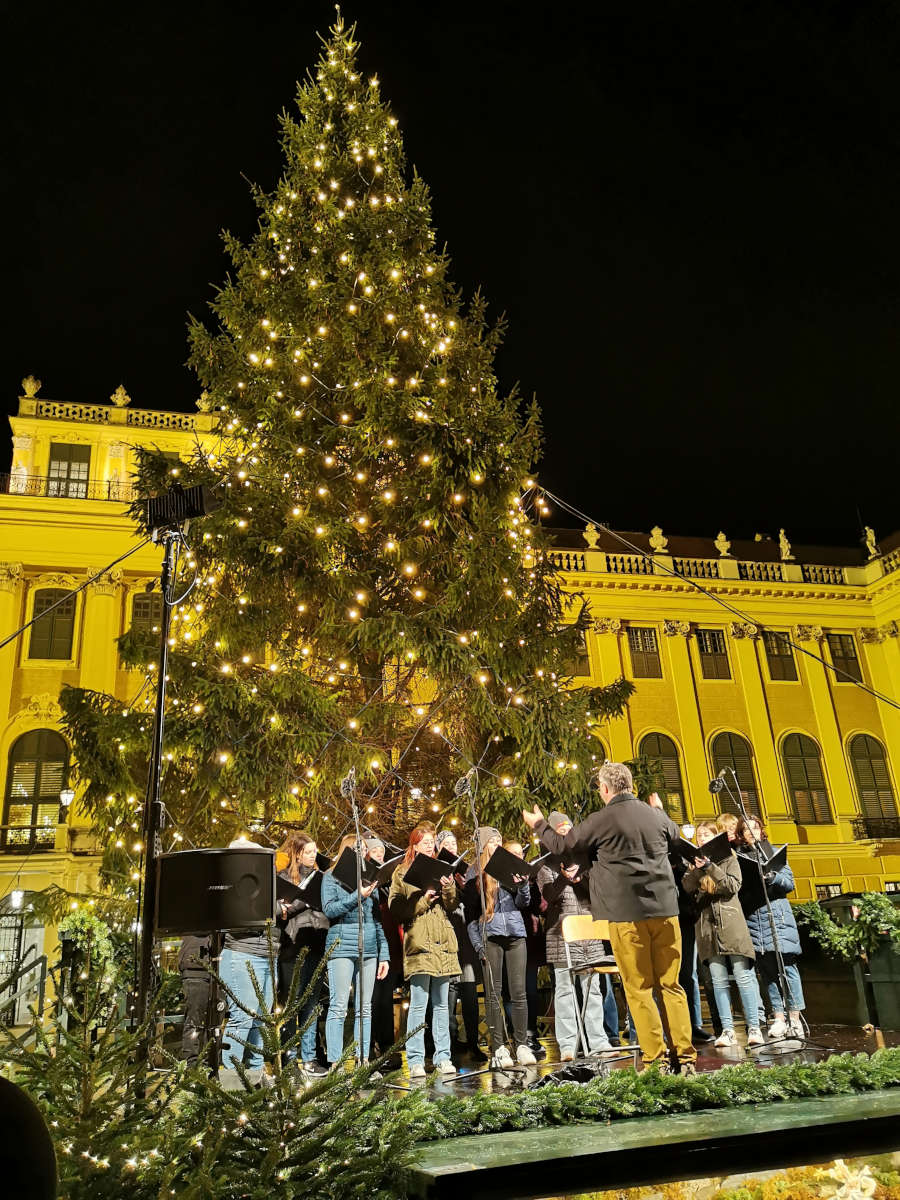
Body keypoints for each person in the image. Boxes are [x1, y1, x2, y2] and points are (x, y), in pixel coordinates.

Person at [523, 761, 696, 1074]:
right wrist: (659, 812)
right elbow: (676, 840)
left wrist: (539, 825)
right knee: (671, 986)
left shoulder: (601, 819)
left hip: (627, 916)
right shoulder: (653, 814)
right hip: (666, 912)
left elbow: (564, 846)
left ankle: (656, 1060)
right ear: (630, 785)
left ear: (605, 789)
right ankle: (684, 1059)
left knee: (639, 987)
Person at [537, 812, 614, 1060]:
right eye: (559, 832)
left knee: (592, 989)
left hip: (590, 932)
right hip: (561, 934)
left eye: (568, 830)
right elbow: (548, 897)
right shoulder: (545, 865)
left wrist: (581, 876)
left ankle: (598, 1041)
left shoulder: (589, 861)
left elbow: (598, 892)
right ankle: (568, 1044)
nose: (565, 835)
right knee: (564, 990)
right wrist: (564, 877)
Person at [682, 820, 764, 1048]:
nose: (701, 840)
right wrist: (697, 868)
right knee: (718, 981)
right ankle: (727, 1030)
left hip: (731, 923)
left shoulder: (729, 859)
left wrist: (710, 867)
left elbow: (732, 886)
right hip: (707, 927)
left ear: (716, 837)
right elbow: (687, 888)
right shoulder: (694, 865)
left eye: (706, 835)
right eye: (699, 836)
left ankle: (754, 1027)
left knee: (743, 976)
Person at [389, 822, 461, 1079]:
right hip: (419, 942)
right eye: (425, 841)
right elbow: (396, 908)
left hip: (443, 942)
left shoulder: (441, 867)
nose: (430, 845)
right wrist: (422, 900)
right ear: (415, 843)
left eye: (432, 842)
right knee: (419, 1005)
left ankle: (443, 1057)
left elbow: (452, 905)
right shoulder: (401, 871)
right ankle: (416, 1059)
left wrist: (449, 886)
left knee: (442, 1005)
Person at [465, 839, 537, 1068]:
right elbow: (471, 920)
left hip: (516, 935)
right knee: (494, 994)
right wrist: (478, 946)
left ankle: (522, 1044)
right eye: (492, 843)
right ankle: (498, 1048)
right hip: (491, 938)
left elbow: (523, 903)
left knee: (519, 992)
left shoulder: (510, 874)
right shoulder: (477, 882)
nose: (497, 846)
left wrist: (523, 885)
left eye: (499, 843)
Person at [320, 834, 390, 1067]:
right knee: (339, 1005)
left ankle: (363, 1060)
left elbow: (377, 920)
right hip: (341, 947)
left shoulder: (370, 878)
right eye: (356, 849)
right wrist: (357, 896)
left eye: (363, 849)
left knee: (365, 1008)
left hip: (369, 948)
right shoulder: (330, 877)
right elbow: (329, 910)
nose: (361, 852)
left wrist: (384, 955)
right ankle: (335, 1063)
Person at [736, 816, 806, 1039]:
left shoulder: (775, 853)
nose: (751, 832)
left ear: (761, 830)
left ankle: (795, 1018)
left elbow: (789, 884)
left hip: (778, 917)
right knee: (767, 971)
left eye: (755, 827)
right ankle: (778, 1017)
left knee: (787, 968)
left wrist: (773, 876)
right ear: (741, 834)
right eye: (746, 829)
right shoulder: (739, 858)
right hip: (754, 919)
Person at [220, 839, 276, 1086]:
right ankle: (231, 1079)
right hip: (241, 953)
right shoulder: (232, 884)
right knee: (243, 1015)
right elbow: (231, 918)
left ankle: (255, 1075)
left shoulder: (262, 883)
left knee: (262, 1018)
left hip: (268, 955)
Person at [276, 831, 329, 1076]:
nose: (312, 855)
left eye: (314, 851)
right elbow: (278, 910)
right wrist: (299, 903)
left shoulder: (322, 878)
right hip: (292, 947)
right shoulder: (283, 877)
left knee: (311, 1003)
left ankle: (309, 1058)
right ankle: (289, 1059)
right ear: (297, 854)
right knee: (291, 1004)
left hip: (317, 943)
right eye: (307, 852)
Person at [435, 829, 485, 1061]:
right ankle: (451, 1045)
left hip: (465, 937)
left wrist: (468, 886)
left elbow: (475, 905)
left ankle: (473, 1042)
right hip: (445, 936)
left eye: (454, 842)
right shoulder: (435, 868)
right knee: (447, 997)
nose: (451, 846)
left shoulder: (467, 870)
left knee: (469, 994)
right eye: (446, 843)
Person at [178, 934, 210, 1067]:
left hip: (212, 965)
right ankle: (193, 1070)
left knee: (211, 1024)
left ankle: (206, 1068)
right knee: (194, 1022)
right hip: (196, 966)